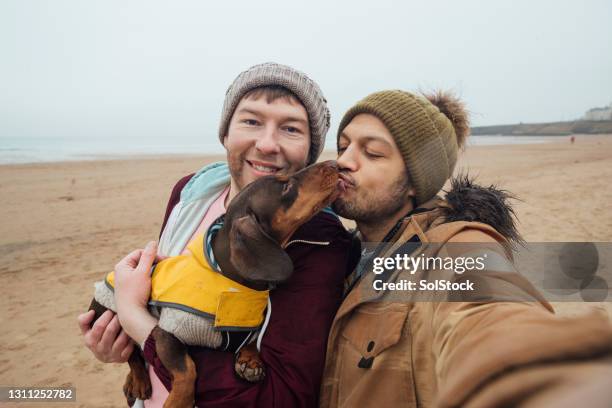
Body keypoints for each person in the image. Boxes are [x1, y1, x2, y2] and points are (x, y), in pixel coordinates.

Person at [78, 62, 356, 407]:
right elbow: (165, 302)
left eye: (291, 129)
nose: (267, 144)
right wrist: (118, 344)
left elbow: (281, 398)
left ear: (310, 149)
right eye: (251, 121)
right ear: (225, 132)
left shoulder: (321, 242)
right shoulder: (191, 193)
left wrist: (135, 317)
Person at [320, 90, 612, 407]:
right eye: (343, 146)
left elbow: (490, 314)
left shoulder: (453, 249)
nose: (343, 162)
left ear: (418, 181)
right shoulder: (341, 251)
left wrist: (547, 381)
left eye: (373, 153)